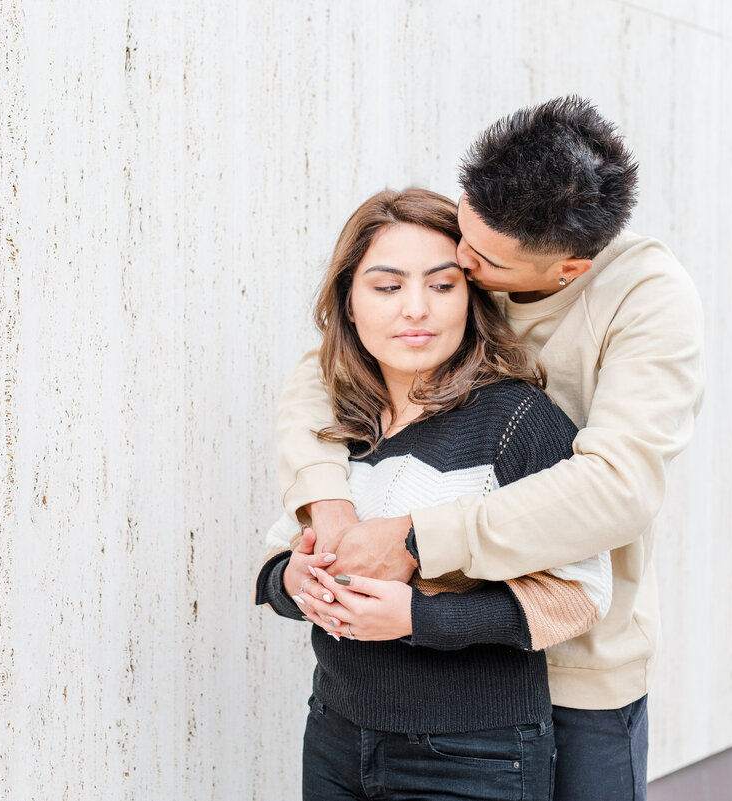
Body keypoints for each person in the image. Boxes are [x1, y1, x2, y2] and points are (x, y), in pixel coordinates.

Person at [274, 97, 705, 801]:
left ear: (567, 271)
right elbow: (323, 372)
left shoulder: (647, 301)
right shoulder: (474, 261)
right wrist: (330, 509)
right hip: (433, 685)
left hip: (576, 667)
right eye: (464, 233)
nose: (459, 267)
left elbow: (617, 488)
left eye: (475, 263)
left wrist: (416, 540)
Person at [255, 187, 612, 801]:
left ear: (472, 299)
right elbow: (274, 569)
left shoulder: (516, 420)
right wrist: (296, 581)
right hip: (336, 735)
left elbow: (578, 598)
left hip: (471, 753)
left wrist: (417, 617)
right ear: (348, 302)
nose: (415, 309)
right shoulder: (340, 422)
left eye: (442, 286)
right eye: (387, 287)